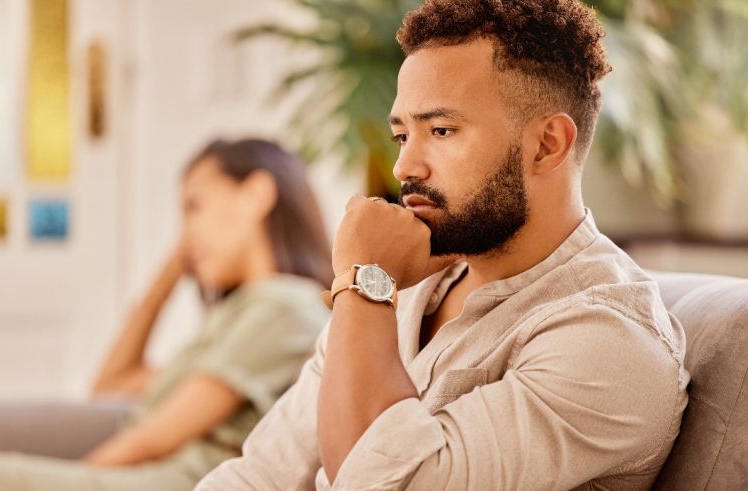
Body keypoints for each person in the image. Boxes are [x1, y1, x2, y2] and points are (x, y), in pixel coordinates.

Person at [196, 1, 689, 490]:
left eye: (441, 130)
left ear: (547, 145)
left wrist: (366, 284)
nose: (404, 167)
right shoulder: (403, 286)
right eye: (401, 135)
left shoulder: (609, 341)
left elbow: (383, 483)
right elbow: (261, 474)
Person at [0, 138, 333, 491]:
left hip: (177, 480)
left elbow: (155, 437)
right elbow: (110, 388)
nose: (185, 237)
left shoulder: (285, 305)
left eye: (194, 207)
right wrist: (166, 280)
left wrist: (81, 475)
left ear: (256, 193)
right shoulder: (246, 309)